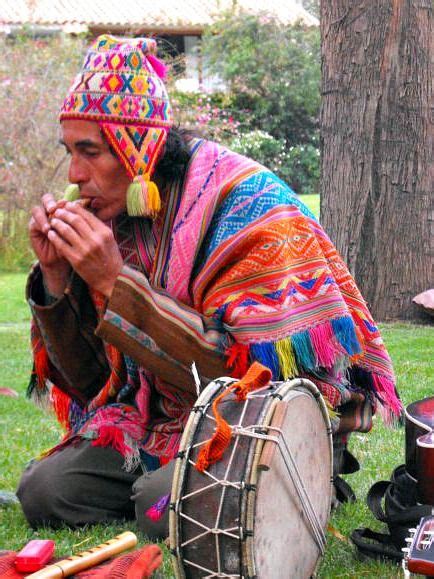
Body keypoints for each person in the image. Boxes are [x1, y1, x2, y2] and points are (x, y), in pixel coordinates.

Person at [17, 35, 401, 537]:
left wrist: (117, 282)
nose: (73, 174)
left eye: (89, 152)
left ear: (138, 150)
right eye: (69, 151)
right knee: (45, 493)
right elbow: (94, 386)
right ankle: (175, 487)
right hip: (161, 421)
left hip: (266, 420)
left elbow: (246, 378)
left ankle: (309, 474)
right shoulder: (118, 215)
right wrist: (56, 277)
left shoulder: (250, 205)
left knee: (161, 504)